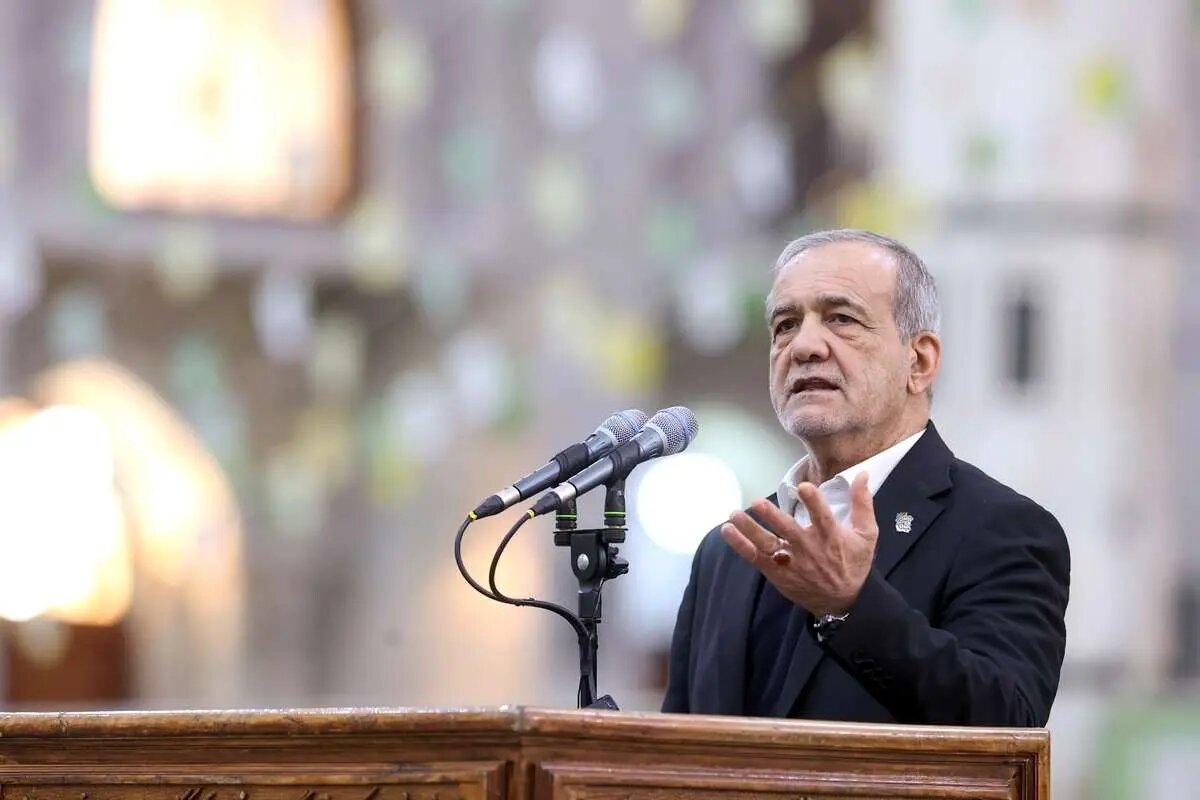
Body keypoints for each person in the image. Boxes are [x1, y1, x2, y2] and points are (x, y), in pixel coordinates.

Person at [661, 229, 1070, 726]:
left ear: (919, 361)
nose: (804, 346)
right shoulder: (726, 551)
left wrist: (851, 607)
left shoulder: (1001, 530)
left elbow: (1007, 725)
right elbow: (678, 748)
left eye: (842, 319)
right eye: (786, 325)